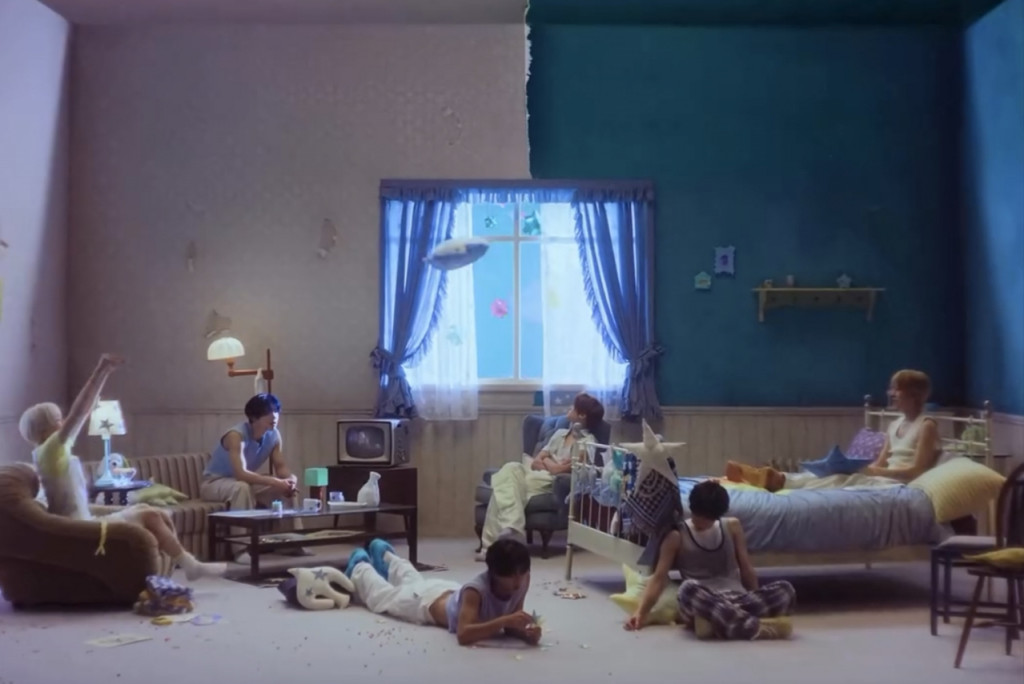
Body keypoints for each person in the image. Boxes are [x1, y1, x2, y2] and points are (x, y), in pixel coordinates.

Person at [19, 353, 226, 581]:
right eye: (58, 420)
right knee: (150, 514)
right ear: (45, 429)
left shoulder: (50, 454)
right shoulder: (50, 451)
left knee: (150, 509)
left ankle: (178, 567)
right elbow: (81, 412)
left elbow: (81, 414)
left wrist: (104, 372)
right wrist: (101, 371)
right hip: (80, 530)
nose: (63, 423)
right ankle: (187, 566)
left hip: (82, 522)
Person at [624, 480, 796, 640]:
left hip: (736, 597)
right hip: (703, 600)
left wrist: (755, 595)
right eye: (697, 515)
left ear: (716, 515)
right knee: (686, 589)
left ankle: (717, 623)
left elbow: (746, 569)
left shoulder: (732, 527)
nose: (699, 521)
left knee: (786, 590)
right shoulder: (676, 535)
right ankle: (755, 627)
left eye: (706, 518)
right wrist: (641, 612)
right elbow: (659, 578)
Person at [724, 369, 941, 492]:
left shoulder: (926, 425)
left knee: (841, 480)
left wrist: (875, 473)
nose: (891, 393)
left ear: (914, 394)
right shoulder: (894, 425)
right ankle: (774, 478)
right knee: (834, 474)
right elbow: (880, 463)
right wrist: (862, 468)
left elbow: (916, 471)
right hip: (883, 479)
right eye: (891, 388)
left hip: (898, 486)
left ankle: (777, 482)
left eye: (897, 389)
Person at [345, 535, 539, 647]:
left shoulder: (524, 580)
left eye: (521, 574)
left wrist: (526, 633)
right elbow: (463, 634)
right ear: (494, 573)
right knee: (383, 598)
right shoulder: (476, 591)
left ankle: (385, 555)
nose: (518, 582)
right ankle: (360, 566)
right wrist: (504, 621)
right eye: (511, 576)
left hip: (449, 590)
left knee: (414, 580)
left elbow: (511, 622)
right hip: (424, 602)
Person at [477, 392, 605, 559]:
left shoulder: (588, 441)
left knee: (502, 490)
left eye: (574, 407)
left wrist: (548, 462)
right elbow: (536, 461)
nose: (569, 408)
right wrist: (553, 463)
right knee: (511, 467)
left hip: (549, 481)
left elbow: (560, 471)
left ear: (582, 415)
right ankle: (512, 528)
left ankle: (490, 548)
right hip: (533, 473)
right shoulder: (559, 434)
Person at [199, 393, 309, 562]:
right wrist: (275, 481)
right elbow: (241, 473)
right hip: (214, 483)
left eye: (276, 411)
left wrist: (290, 480)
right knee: (241, 488)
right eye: (268, 412)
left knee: (285, 489)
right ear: (254, 417)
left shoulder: (274, 435)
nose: (274, 416)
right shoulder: (236, 435)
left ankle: (291, 543)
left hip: (242, 481)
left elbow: (280, 467)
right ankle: (241, 550)